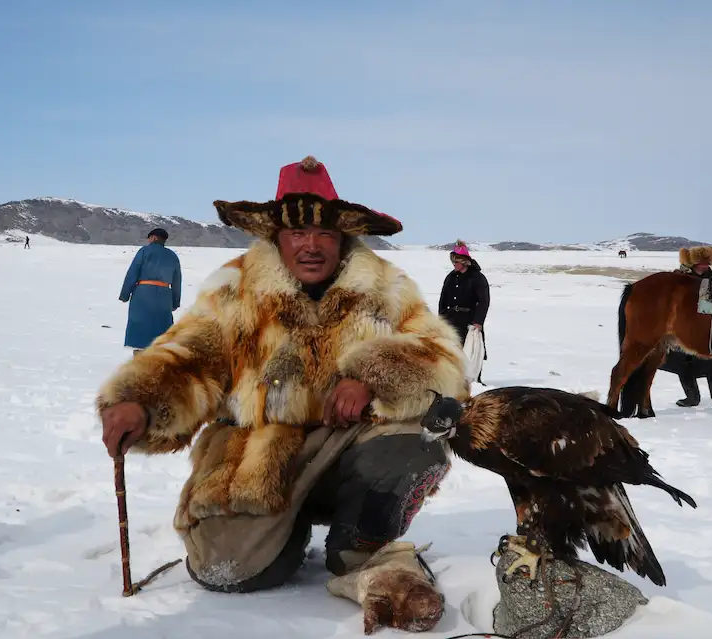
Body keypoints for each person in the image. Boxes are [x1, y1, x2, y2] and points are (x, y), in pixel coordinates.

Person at [95, 156, 467, 633]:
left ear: (343, 238)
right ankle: (279, 537)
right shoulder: (236, 289)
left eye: (324, 235)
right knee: (227, 572)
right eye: (298, 235)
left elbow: (444, 357)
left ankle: (361, 546)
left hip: (347, 444)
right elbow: (189, 356)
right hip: (258, 451)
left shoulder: (384, 287)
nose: (311, 246)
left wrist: (372, 377)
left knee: (417, 431)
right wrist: (140, 400)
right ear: (276, 238)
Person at [660, 245, 712, 410]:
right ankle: (692, 396)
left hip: (706, 325)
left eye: (706, 262)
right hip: (682, 324)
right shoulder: (678, 277)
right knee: (682, 362)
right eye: (700, 262)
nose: (703, 265)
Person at [118, 228, 182, 354]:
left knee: (141, 324)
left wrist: (125, 294)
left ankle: (140, 357)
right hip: (164, 296)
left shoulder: (144, 251)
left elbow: (133, 273)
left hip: (143, 294)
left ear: (153, 238)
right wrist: (175, 302)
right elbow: (177, 281)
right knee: (162, 326)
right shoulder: (173, 256)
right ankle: (159, 357)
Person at [438, 240, 490, 384]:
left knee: (472, 351)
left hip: (469, 321)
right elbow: (443, 300)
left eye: (456, 261)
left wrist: (478, 322)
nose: (453, 264)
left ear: (464, 261)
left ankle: (475, 382)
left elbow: (483, 301)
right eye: (453, 261)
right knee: (451, 351)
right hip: (450, 319)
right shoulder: (450, 277)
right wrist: (440, 320)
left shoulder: (478, 278)